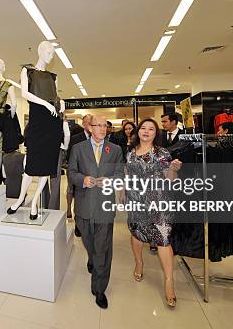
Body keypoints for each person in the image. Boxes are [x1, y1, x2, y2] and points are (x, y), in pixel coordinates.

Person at [68, 115, 124, 309]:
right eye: (98, 125)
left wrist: (110, 181)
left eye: (105, 126)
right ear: (90, 128)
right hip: (84, 206)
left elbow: (120, 174)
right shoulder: (78, 149)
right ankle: (92, 258)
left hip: (105, 207)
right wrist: (83, 179)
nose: (102, 128)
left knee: (103, 248)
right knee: (89, 242)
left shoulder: (115, 150)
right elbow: (72, 172)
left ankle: (99, 288)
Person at [125, 118, 182, 307]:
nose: (146, 131)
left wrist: (174, 169)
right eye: (143, 128)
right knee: (137, 233)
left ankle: (169, 281)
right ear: (138, 131)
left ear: (156, 133)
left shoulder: (162, 153)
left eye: (151, 129)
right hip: (136, 201)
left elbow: (170, 178)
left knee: (163, 239)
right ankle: (139, 263)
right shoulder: (131, 153)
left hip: (159, 203)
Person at [66, 113, 93, 235]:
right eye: (89, 122)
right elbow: (70, 157)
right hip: (80, 175)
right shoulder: (75, 139)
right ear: (84, 124)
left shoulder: (99, 137)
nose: (92, 125)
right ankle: (79, 226)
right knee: (80, 200)